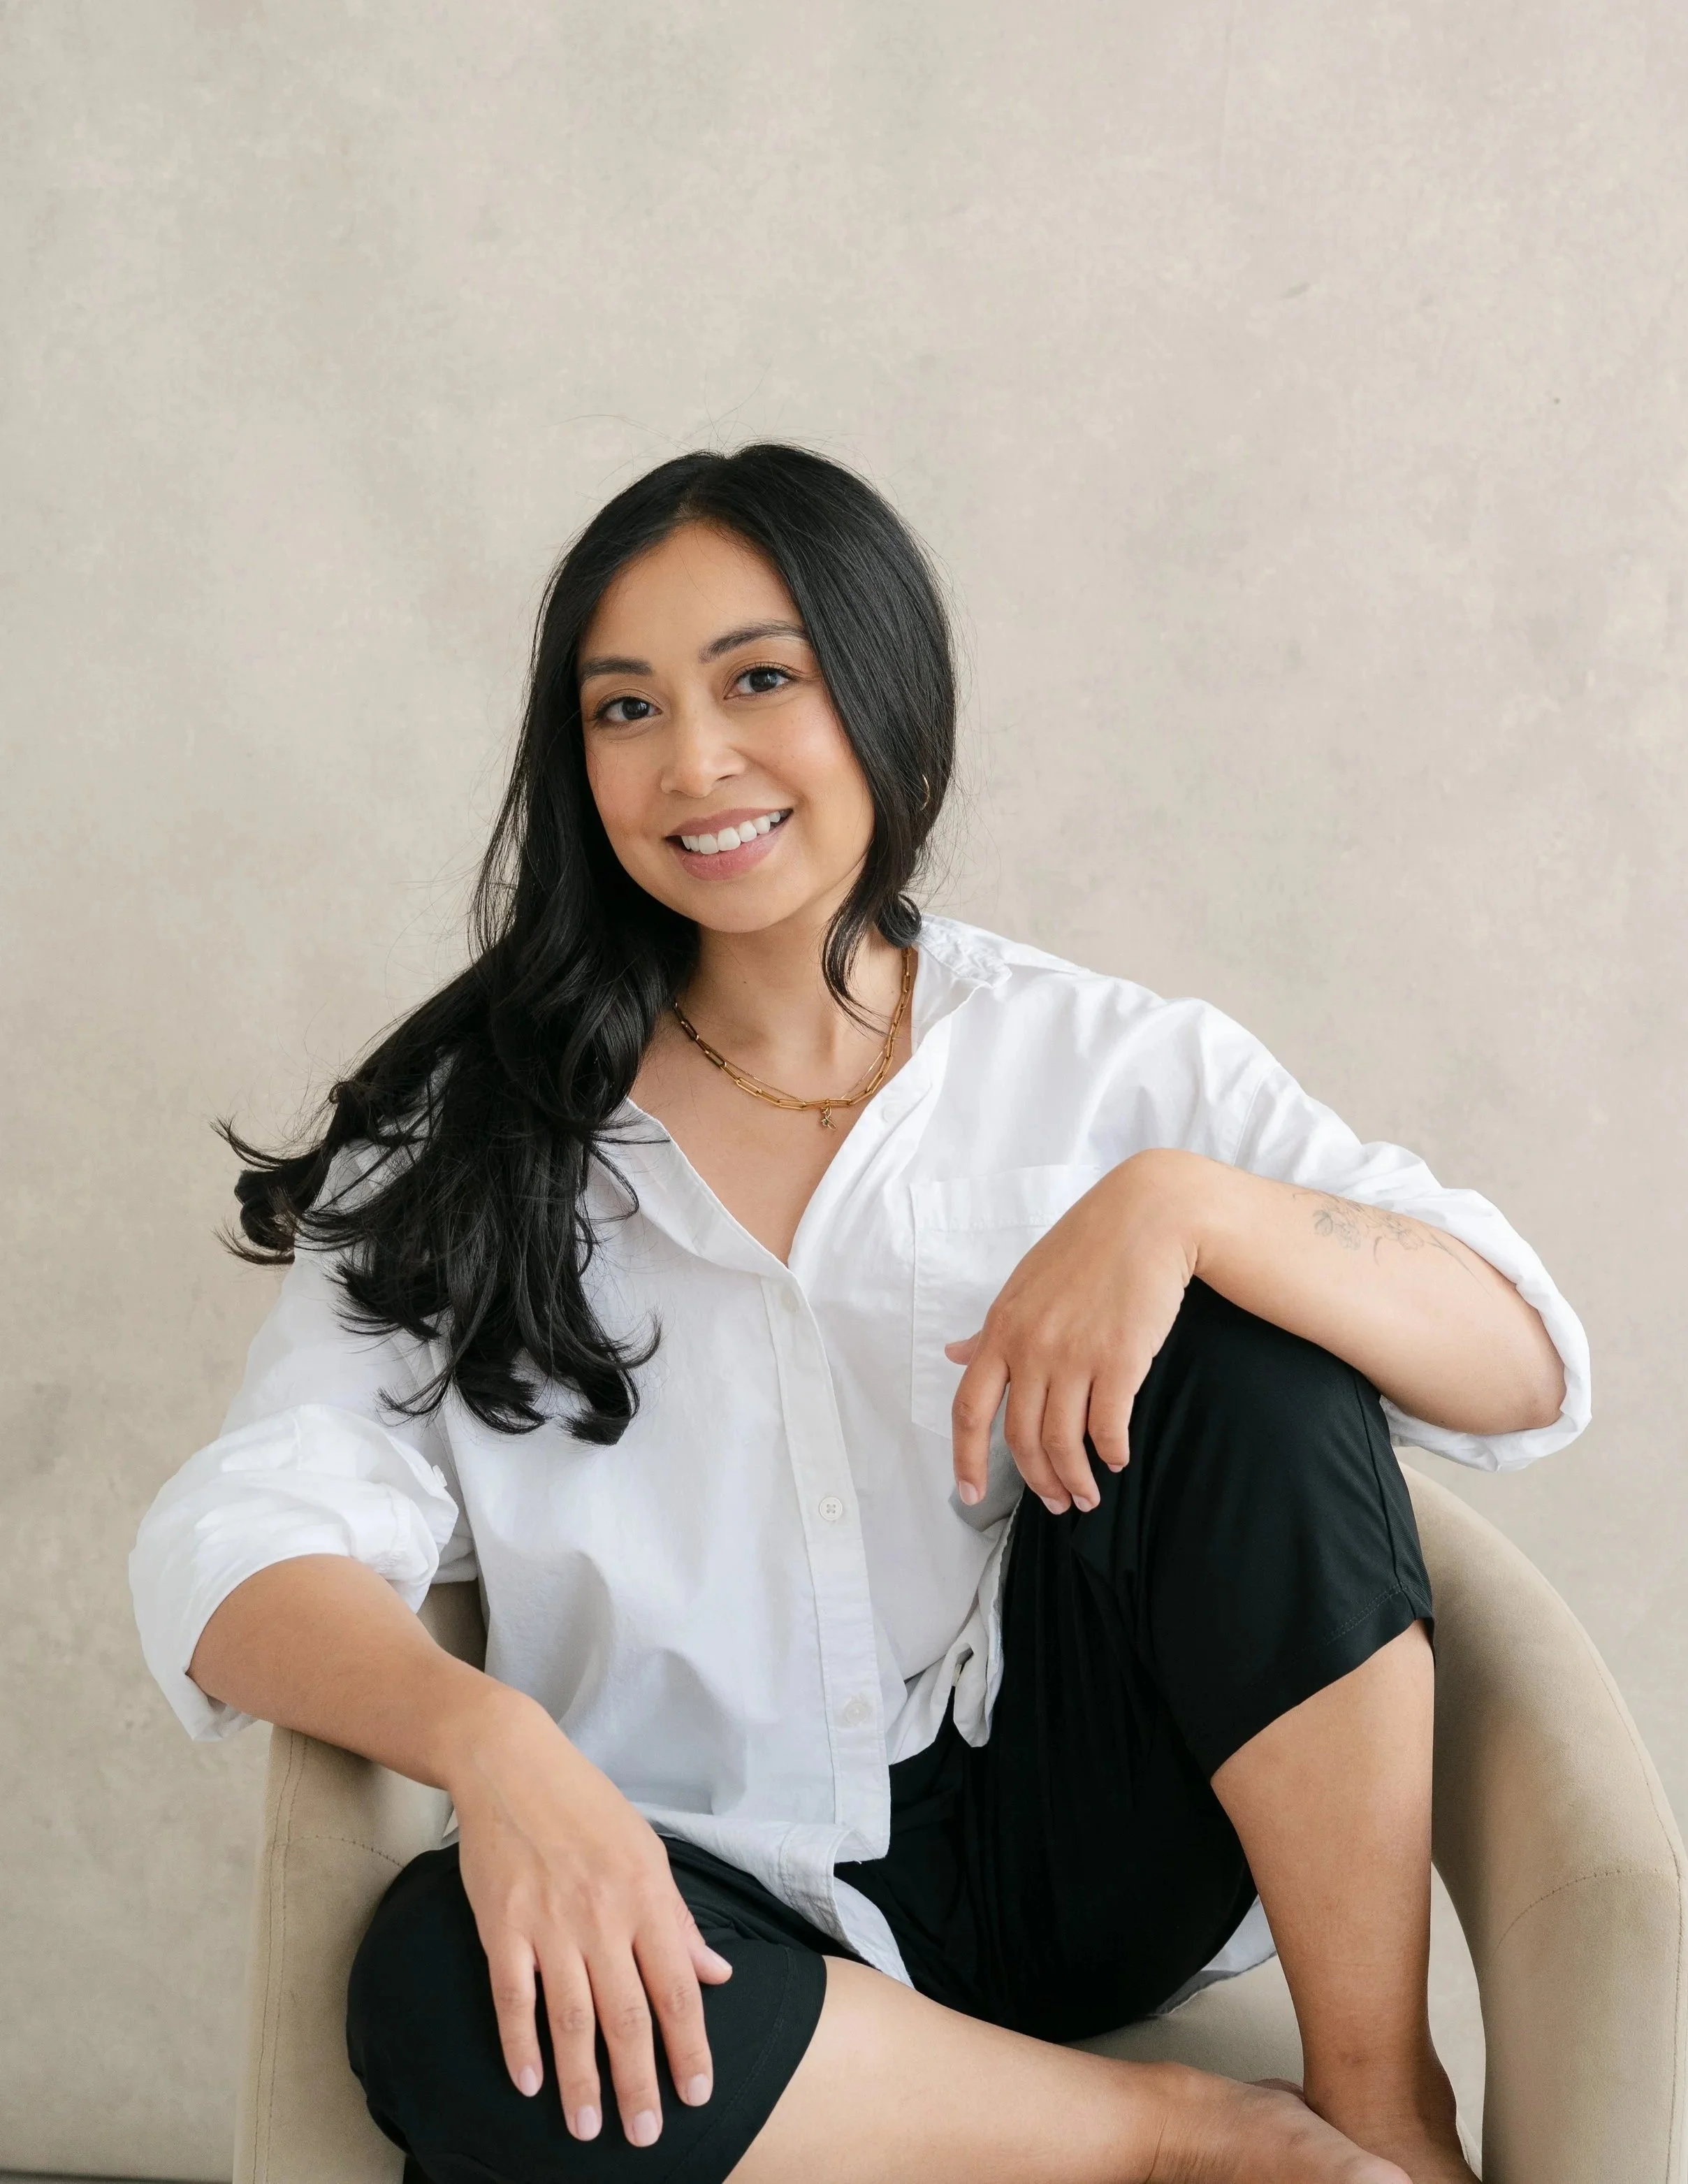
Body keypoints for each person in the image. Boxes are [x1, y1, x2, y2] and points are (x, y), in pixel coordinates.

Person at [131, 444, 1586, 2184]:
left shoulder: (1099, 1064)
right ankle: (1180, 2137)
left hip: (1081, 1827)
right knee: (434, 1990)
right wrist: (491, 1742)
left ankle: (1380, 2107)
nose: (693, 761)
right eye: (623, 707)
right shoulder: (467, 1144)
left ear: (885, 697)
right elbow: (239, 1548)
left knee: (1255, 1345)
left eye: (760, 679)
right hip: (706, 1893)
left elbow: (1518, 1359)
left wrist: (1184, 1206)